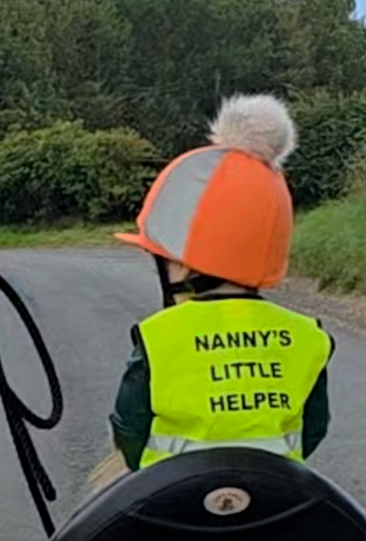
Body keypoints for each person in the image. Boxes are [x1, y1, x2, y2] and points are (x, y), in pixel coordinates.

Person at [108, 95, 332, 472]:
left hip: (170, 511)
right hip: (278, 506)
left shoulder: (157, 338)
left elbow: (129, 432)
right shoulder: (307, 338)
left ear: (181, 261)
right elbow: (313, 430)